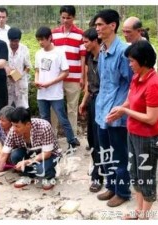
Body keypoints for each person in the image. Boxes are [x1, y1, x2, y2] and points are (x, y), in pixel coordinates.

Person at [106, 40, 158, 220]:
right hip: (133, 132)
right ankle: (138, 210)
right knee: (135, 175)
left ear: (143, 61)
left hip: (147, 138)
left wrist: (125, 111)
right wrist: (119, 108)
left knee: (146, 176)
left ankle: (145, 215)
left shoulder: (153, 84)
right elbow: (131, 100)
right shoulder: (137, 77)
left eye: (131, 61)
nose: (129, 65)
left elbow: (151, 119)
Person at [93, 9, 133, 207]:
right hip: (102, 109)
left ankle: (123, 191)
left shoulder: (123, 52)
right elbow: (103, 80)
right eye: (96, 25)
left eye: (100, 25)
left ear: (112, 25)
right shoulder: (102, 50)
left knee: (119, 153)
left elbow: (132, 84)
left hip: (117, 112)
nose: (97, 28)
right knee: (105, 151)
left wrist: (123, 107)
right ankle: (111, 186)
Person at [0, 107, 60, 190]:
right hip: (30, 151)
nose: (14, 129)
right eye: (13, 125)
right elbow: (3, 155)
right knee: (15, 155)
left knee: (41, 168)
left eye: (17, 126)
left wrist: (26, 161)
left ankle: (50, 177)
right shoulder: (13, 131)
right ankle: (28, 176)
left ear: (28, 124)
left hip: (50, 154)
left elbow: (47, 153)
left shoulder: (44, 127)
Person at [34, 26, 80, 150]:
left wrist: (50, 83)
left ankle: (72, 141)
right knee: (44, 119)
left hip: (55, 93)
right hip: (42, 93)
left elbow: (66, 72)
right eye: (38, 40)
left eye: (43, 40)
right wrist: (36, 80)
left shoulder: (59, 52)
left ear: (50, 38)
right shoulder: (39, 53)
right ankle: (49, 144)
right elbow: (37, 70)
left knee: (62, 118)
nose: (40, 43)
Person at [52, 5, 86, 136]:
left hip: (74, 77)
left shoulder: (80, 34)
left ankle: (72, 137)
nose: (65, 20)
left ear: (74, 17)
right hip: (57, 78)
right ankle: (52, 136)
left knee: (72, 108)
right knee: (54, 108)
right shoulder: (54, 33)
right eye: (63, 17)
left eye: (69, 18)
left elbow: (82, 56)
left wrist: (82, 76)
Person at [79, 27, 103, 193]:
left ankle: (103, 174)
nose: (84, 45)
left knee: (103, 140)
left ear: (95, 41)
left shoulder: (105, 57)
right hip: (94, 100)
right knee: (92, 139)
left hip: (105, 102)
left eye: (86, 42)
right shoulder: (89, 57)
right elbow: (89, 82)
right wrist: (84, 101)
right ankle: (97, 172)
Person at [5, 27, 32, 108]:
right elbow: (2, 64)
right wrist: (9, 73)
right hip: (8, 83)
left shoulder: (24, 49)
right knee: (7, 108)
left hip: (21, 84)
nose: (13, 43)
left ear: (19, 40)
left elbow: (28, 66)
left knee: (22, 108)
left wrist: (19, 75)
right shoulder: (4, 48)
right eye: (11, 41)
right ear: (9, 39)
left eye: (16, 41)